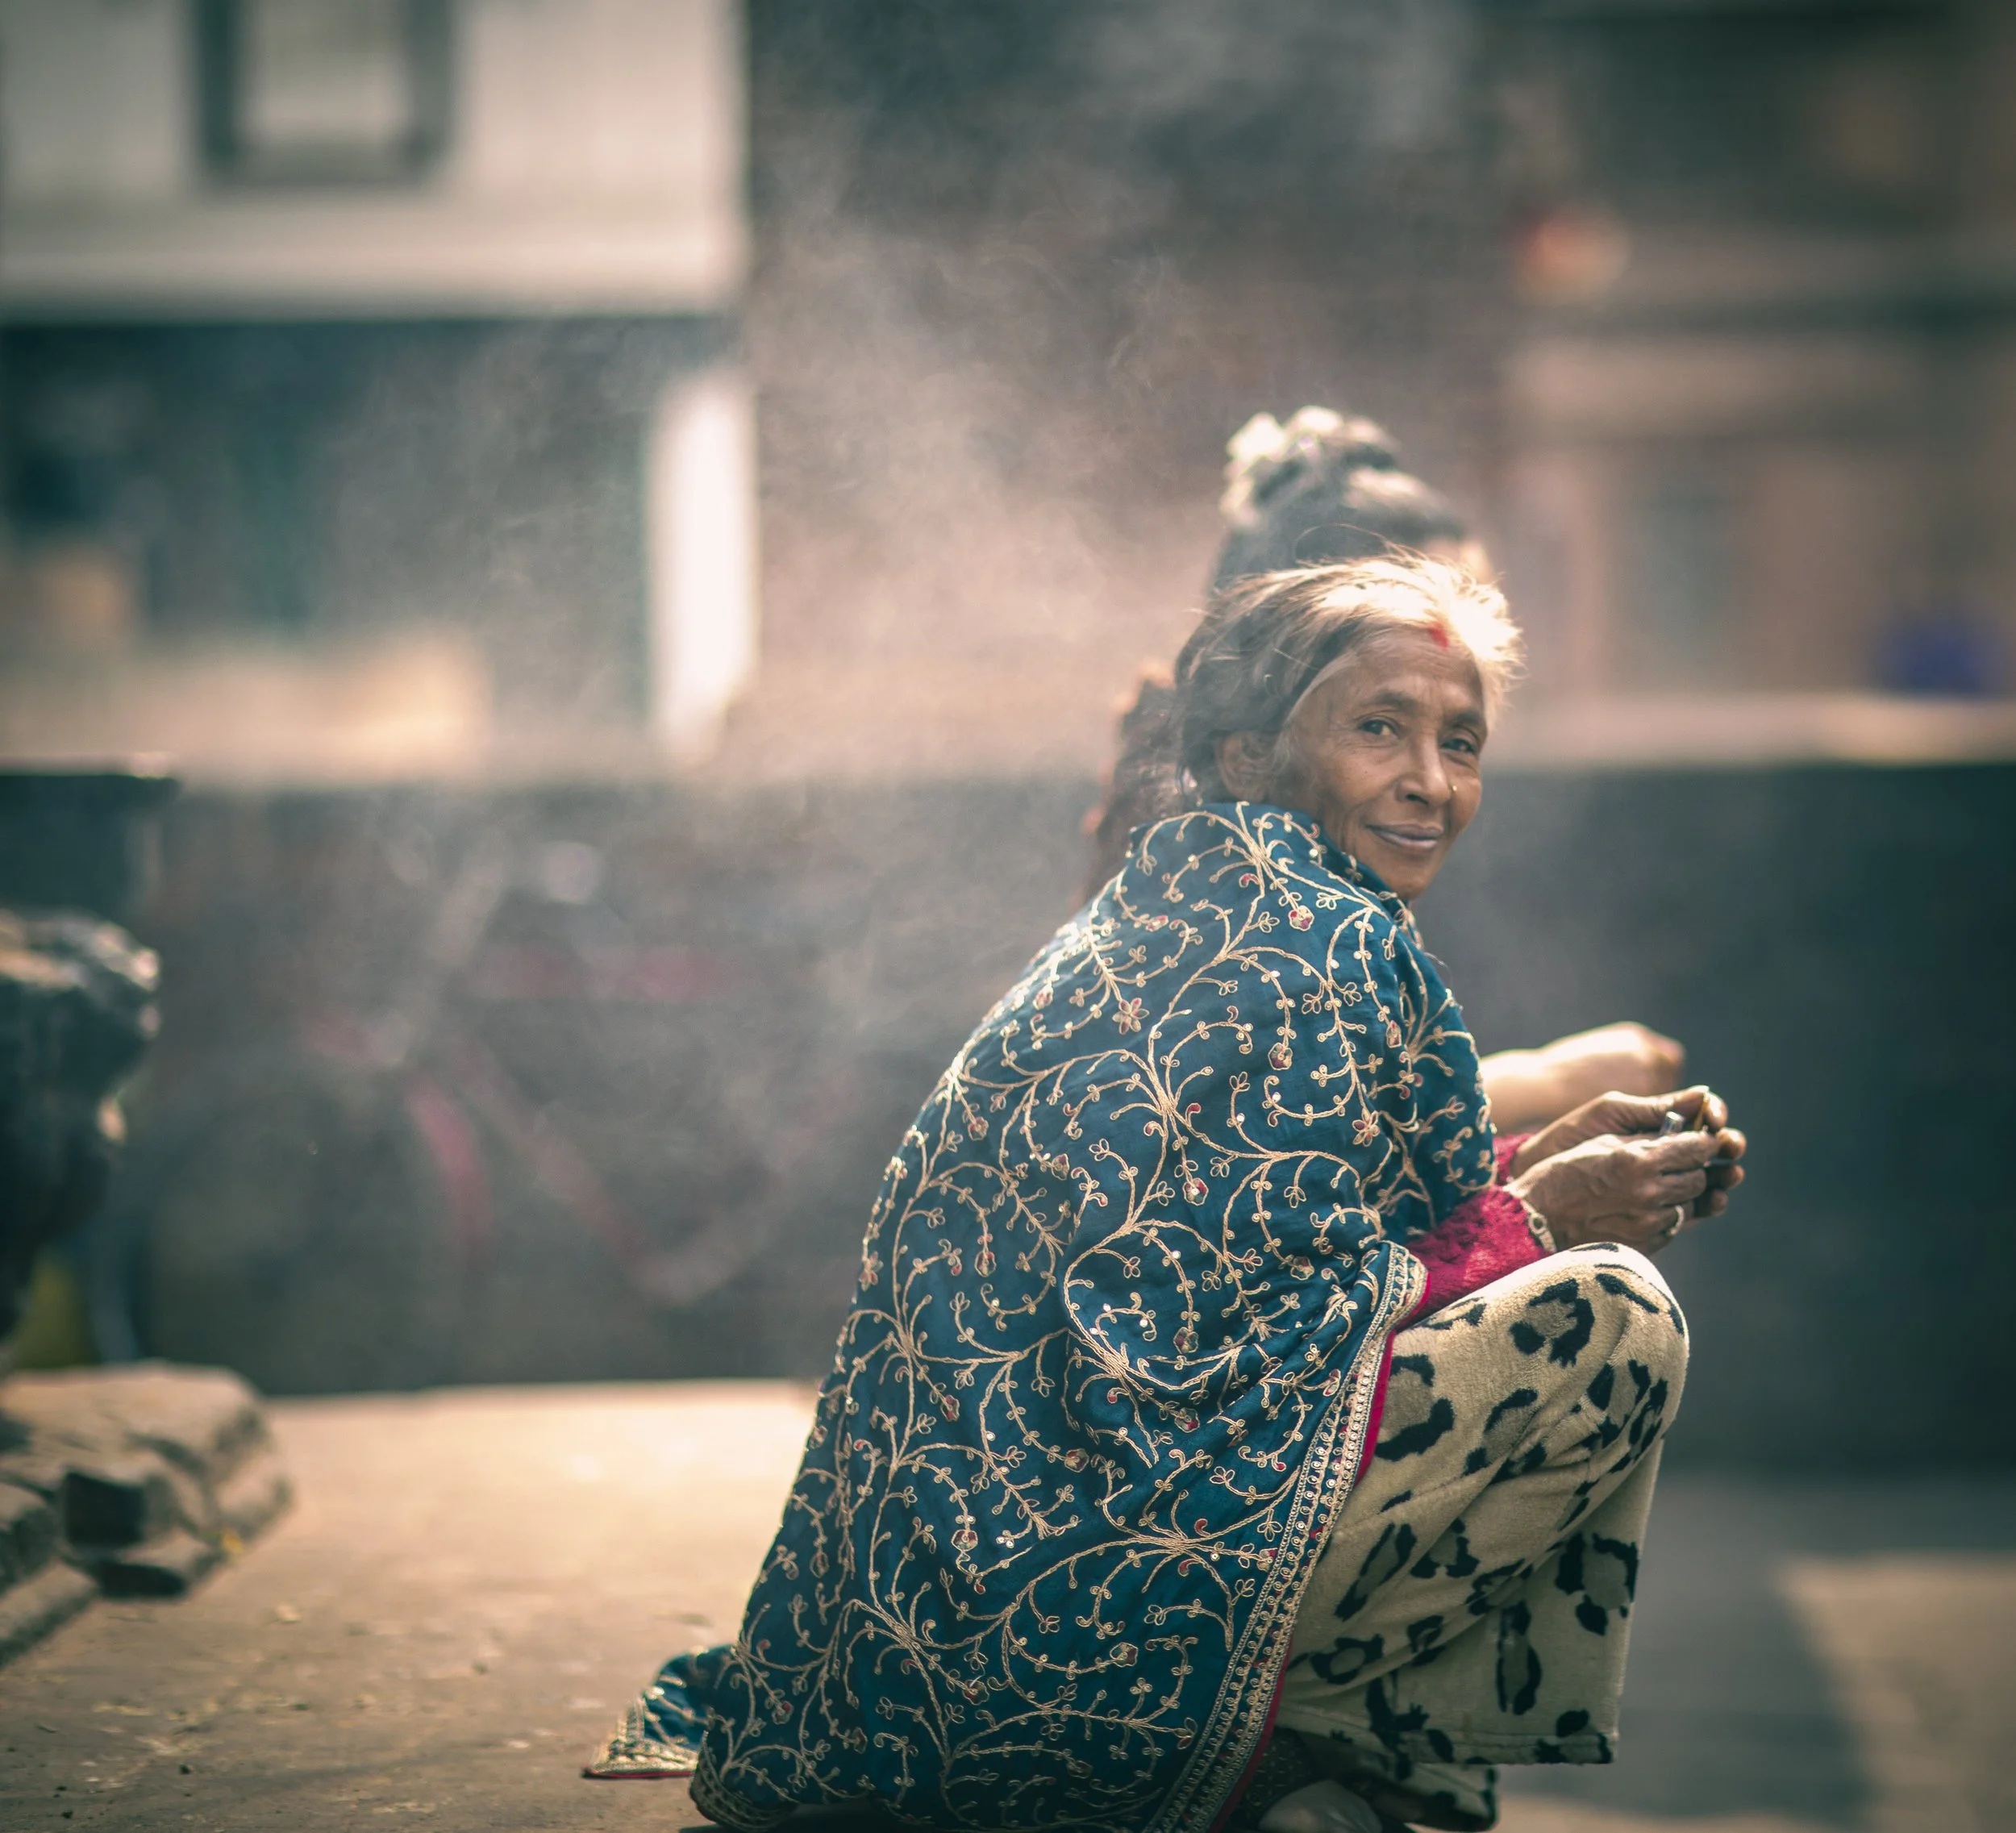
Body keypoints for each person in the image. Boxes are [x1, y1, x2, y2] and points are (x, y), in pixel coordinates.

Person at [588, 556, 1747, 1833]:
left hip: (884, 1659)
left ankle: (1309, 1752)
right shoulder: (1333, 936)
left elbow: (1274, 1242)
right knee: (1613, 1323)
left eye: (1459, 742)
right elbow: (1286, 1323)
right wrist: (1551, 1218)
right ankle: (1273, 1754)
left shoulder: (1178, 893)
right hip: (1059, 1647)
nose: (1430, 781)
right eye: (1380, 729)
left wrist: (1551, 1165)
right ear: (1250, 756)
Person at [1083, 406, 1681, 1134]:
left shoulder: (1359, 825)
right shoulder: (1202, 846)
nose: (1466, 662)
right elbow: (1274, 1124)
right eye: (1427, 628)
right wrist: (1552, 1081)